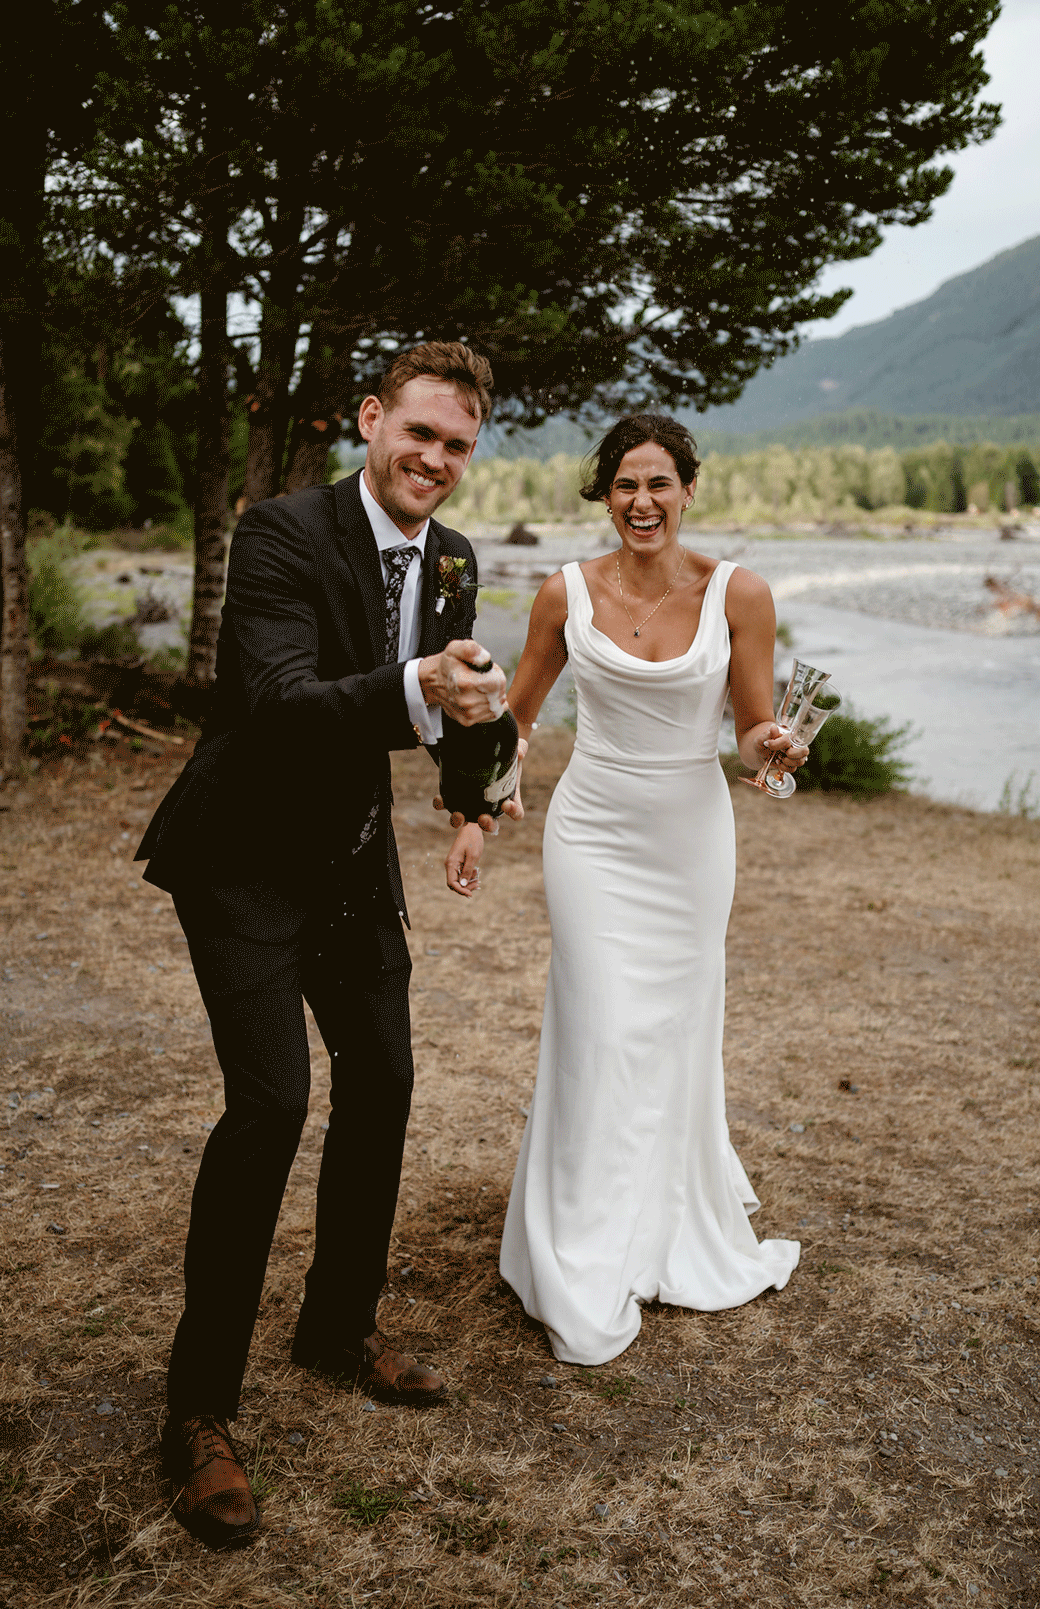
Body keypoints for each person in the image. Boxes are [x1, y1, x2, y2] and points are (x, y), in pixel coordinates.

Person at [135, 341, 518, 1548]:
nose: (435, 463)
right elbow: (285, 699)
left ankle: (336, 1326)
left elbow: (451, 693)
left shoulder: (451, 558)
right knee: (269, 1106)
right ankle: (197, 1411)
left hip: (352, 863)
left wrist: (471, 793)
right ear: (370, 421)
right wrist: (418, 683)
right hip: (241, 859)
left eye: (457, 445)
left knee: (387, 1080)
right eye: (418, 435)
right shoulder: (282, 533)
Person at [450, 412, 803, 1365]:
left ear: (689, 489)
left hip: (691, 837)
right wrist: (478, 817)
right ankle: (579, 1240)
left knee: (673, 1030)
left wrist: (774, 750)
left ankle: (665, 1216)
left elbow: (754, 732)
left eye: (658, 484)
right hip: (593, 832)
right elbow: (514, 725)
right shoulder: (564, 591)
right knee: (601, 1024)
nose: (641, 502)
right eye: (623, 485)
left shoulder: (743, 593)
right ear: (604, 494)